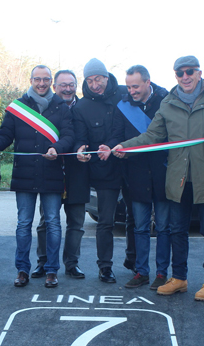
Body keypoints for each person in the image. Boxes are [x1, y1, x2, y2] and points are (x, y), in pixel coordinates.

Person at [113, 56, 204, 301]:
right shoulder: (169, 103)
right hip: (178, 179)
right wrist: (125, 147)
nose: (185, 77)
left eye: (189, 72)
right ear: (175, 76)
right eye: (180, 73)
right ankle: (179, 279)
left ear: (199, 72)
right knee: (177, 231)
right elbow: (151, 136)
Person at [0, 65, 74, 289]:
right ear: (30, 80)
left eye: (46, 80)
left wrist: (56, 148)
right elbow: (6, 135)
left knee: (53, 223)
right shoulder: (17, 107)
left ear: (51, 81)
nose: (42, 83)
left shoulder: (62, 107)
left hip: (52, 173)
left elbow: (69, 135)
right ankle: (22, 270)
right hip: (24, 174)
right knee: (23, 224)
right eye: (37, 79)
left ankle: (51, 270)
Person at [31, 70, 89, 280]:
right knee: (46, 221)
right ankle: (43, 262)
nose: (67, 88)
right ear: (55, 87)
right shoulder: (46, 108)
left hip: (78, 173)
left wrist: (86, 149)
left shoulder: (84, 108)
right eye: (62, 85)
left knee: (76, 223)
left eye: (71, 84)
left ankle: (72, 264)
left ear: (76, 86)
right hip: (50, 173)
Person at [72, 58, 126, 283]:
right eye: (90, 80)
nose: (95, 85)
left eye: (99, 79)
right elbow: (81, 138)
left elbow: (126, 129)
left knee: (137, 220)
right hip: (104, 172)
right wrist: (80, 150)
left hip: (131, 167)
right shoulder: (81, 107)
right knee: (106, 222)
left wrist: (114, 145)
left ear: (107, 76)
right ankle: (105, 267)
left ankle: (135, 263)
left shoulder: (124, 95)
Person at [117, 65, 170, 290]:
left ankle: (161, 273)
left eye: (136, 86)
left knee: (164, 227)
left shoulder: (167, 102)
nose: (132, 91)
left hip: (163, 173)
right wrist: (116, 148)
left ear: (148, 82)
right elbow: (119, 135)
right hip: (137, 175)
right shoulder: (124, 105)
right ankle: (141, 272)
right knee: (139, 227)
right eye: (129, 87)